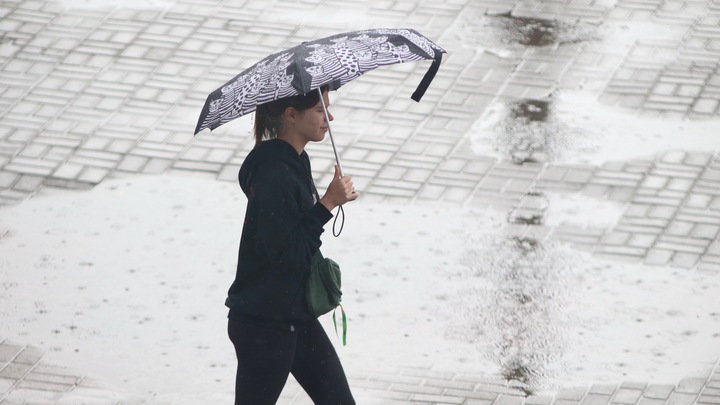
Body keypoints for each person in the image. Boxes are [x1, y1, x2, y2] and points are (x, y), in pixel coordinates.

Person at [226, 86, 357, 404]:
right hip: (265, 322)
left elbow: (293, 239)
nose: (330, 117)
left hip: (292, 311)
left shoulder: (296, 160)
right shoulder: (275, 173)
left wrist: (326, 204)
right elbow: (287, 254)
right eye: (320, 111)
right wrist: (327, 204)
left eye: (328, 108)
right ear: (291, 115)